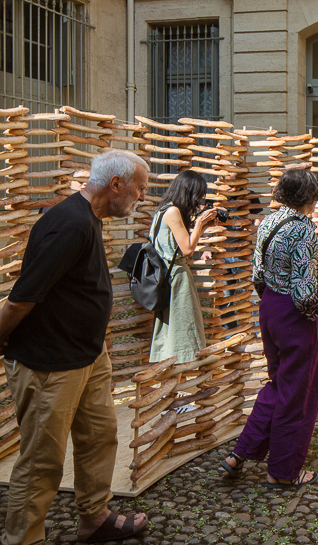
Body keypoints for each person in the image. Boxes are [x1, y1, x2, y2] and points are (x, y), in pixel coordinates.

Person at [0, 149, 150, 544]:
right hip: (50, 364)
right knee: (41, 463)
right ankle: (24, 538)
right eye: (140, 188)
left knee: (99, 437)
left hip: (87, 355)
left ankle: (94, 518)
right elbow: (21, 298)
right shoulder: (67, 224)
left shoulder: (89, 219)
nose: (142, 196)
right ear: (116, 184)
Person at [220, 168, 318, 488]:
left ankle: (239, 454)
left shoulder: (267, 222)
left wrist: (273, 302)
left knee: (278, 385)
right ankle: (282, 471)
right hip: (297, 319)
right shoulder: (303, 231)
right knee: (297, 395)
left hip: (269, 308)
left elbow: (257, 274)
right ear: (309, 198)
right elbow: (306, 296)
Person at [149, 170, 220, 363]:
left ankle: (173, 381)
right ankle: (178, 381)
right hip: (176, 277)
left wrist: (203, 226)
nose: (199, 200)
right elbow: (187, 249)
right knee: (183, 328)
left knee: (172, 329)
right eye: (198, 195)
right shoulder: (172, 211)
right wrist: (198, 224)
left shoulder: (163, 210)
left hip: (167, 275)